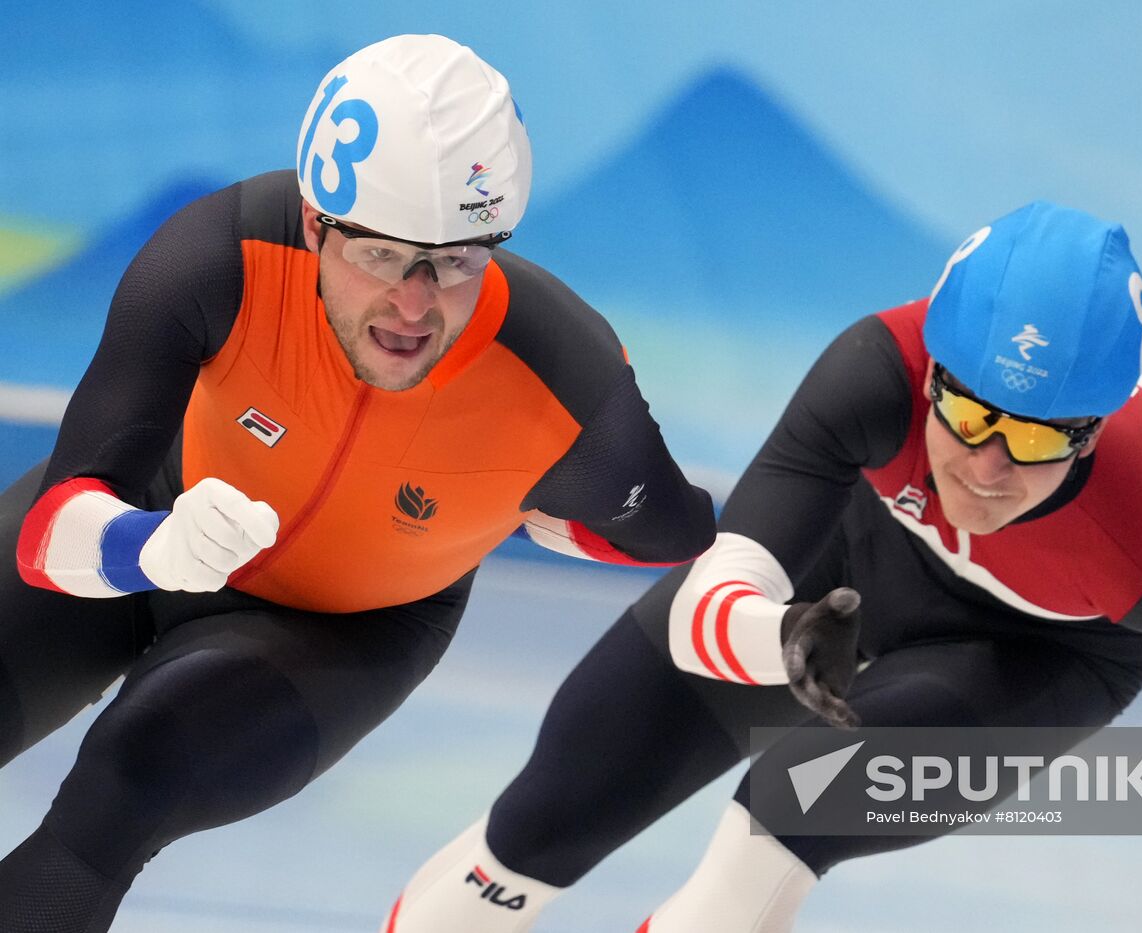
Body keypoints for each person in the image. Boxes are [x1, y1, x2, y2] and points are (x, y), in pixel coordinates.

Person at [380, 201, 1142, 933]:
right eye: (967, 416)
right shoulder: (871, 372)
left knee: (790, 808)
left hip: (1038, 650)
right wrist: (776, 640)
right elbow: (718, 588)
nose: (988, 468)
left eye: (1037, 440)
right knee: (543, 819)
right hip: (860, 559)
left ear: (1091, 436)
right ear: (929, 373)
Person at [0, 34, 714, 933]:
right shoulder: (220, 255)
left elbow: (678, 532)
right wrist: (154, 545)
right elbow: (50, 534)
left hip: (345, 630)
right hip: (152, 510)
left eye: (456, 258)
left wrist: (535, 514)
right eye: (380, 254)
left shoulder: (567, 378)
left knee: (126, 782)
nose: (414, 304)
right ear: (313, 224)